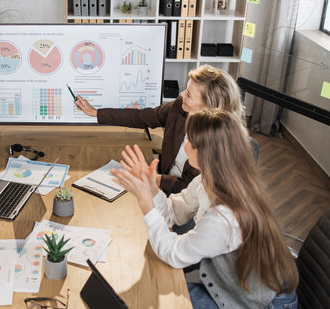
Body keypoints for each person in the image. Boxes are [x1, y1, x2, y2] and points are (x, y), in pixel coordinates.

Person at [111, 110, 298, 309]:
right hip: (229, 284)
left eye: (188, 139)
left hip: (253, 301)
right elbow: (174, 213)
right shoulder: (209, 179)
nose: (184, 144)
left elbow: (174, 254)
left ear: (203, 151)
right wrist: (152, 188)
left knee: (153, 296)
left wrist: (146, 203)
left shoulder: (224, 217)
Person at [75, 65, 244, 196]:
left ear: (209, 107)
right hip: (157, 187)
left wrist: (150, 178)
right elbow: (143, 117)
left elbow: (186, 188)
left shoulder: (218, 145)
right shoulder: (181, 107)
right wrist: (96, 112)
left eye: (189, 95)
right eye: (186, 89)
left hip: (183, 204)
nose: (181, 95)